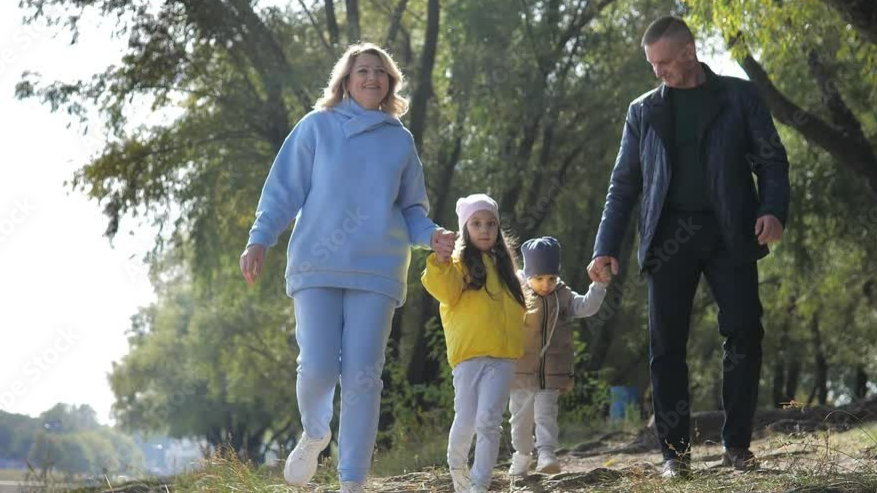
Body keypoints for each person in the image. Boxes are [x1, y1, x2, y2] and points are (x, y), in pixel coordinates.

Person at [240, 42, 456, 493]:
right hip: (316, 266)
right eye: (363, 71)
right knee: (317, 368)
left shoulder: (399, 140)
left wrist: (432, 235)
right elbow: (283, 191)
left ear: (390, 83)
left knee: (363, 377)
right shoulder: (316, 127)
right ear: (346, 80)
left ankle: (352, 481)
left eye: (380, 72)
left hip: (377, 271)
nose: (372, 77)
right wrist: (260, 239)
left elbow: (412, 210)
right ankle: (315, 432)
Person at [588, 16, 790, 478]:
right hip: (667, 238)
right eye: (652, 64)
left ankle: (737, 446)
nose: (658, 71)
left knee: (744, 332)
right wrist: (605, 246)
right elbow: (624, 184)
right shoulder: (643, 111)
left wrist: (773, 210)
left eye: (664, 62)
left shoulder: (739, 96)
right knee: (666, 346)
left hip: (731, 233)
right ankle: (674, 457)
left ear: (689, 52)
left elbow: (772, 161)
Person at [421, 194, 526, 493]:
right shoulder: (456, 265)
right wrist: (440, 262)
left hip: (503, 358)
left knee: (489, 422)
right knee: (466, 419)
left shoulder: (507, 269)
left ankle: (479, 486)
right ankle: (458, 468)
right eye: (476, 223)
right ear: (465, 228)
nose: (485, 230)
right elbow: (443, 290)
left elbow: (518, 311)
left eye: (491, 224)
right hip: (469, 356)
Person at [508, 236, 608, 476]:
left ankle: (546, 454)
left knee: (546, 415)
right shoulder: (516, 295)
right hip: (520, 372)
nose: (546, 285)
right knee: (519, 420)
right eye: (539, 279)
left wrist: (598, 287)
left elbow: (586, 306)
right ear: (528, 275)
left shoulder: (563, 295)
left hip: (552, 372)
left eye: (551, 278)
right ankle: (522, 455)